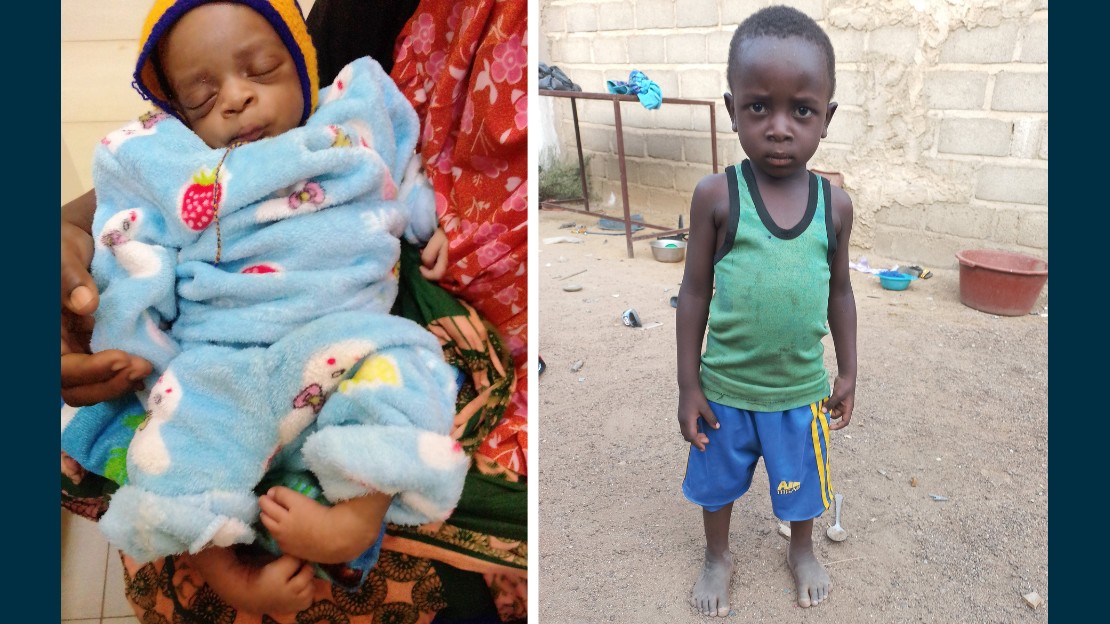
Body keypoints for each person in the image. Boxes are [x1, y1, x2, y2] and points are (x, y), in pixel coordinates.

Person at [60, 0, 471, 613]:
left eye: (261, 70)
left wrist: (426, 221)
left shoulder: (349, 123)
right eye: (202, 99)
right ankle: (225, 569)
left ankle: (354, 522)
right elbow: (132, 251)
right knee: (176, 440)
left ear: (305, 71)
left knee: (411, 373)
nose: (235, 99)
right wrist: (134, 344)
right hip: (224, 352)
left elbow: (402, 168)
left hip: (351, 335)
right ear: (179, 117)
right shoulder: (173, 168)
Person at [675, 5, 858, 615]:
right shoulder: (717, 195)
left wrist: (849, 372)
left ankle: (802, 549)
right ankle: (717, 554)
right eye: (759, 107)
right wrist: (688, 384)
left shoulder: (835, 206)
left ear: (826, 118)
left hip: (799, 389)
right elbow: (695, 292)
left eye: (800, 110)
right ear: (732, 110)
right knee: (717, 486)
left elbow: (840, 293)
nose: (779, 127)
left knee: (800, 486)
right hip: (726, 388)